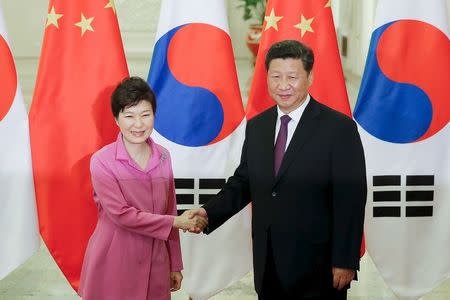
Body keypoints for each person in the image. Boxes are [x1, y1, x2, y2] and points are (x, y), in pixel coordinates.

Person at [188, 40, 367, 299]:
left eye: (292, 77)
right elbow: (243, 182)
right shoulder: (258, 126)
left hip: (319, 267)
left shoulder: (339, 129)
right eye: (276, 77)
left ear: (310, 77)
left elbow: (351, 198)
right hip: (268, 262)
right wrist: (207, 212)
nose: (283, 85)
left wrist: (345, 260)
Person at [78, 77, 206, 300]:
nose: (138, 124)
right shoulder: (102, 161)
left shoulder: (164, 156)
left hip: (156, 259)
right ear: (116, 119)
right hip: (114, 259)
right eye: (129, 116)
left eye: (145, 115)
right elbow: (121, 215)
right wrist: (176, 221)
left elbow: (170, 208)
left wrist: (175, 262)